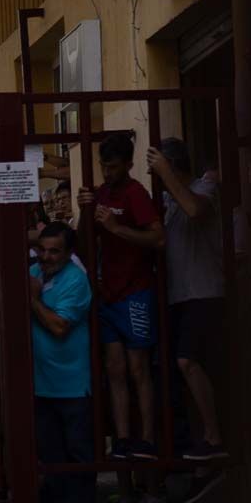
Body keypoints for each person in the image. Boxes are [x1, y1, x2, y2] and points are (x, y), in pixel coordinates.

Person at [77, 133, 164, 461]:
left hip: (135, 291)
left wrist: (116, 228)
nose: (106, 172)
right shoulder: (101, 195)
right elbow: (85, 244)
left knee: (138, 368)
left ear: (128, 164)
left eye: (112, 166)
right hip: (108, 293)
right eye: (103, 166)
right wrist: (85, 210)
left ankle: (148, 439)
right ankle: (124, 437)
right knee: (114, 368)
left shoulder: (135, 193)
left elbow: (158, 238)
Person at [147, 139, 229, 465]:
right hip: (176, 296)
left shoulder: (205, 188)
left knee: (188, 361)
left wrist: (165, 172)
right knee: (174, 371)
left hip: (204, 292)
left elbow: (194, 209)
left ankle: (214, 436)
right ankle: (191, 440)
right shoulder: (166, 199)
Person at [30, 223, 98, 503]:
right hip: (41, 381)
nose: (46, 256)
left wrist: (32, 300)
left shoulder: (76, 280)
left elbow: (59, 327)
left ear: (69, 252)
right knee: (51, 450)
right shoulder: (33, 273)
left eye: (54, 250)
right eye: (42, 250)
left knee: (78, 449)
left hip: (72, 380)